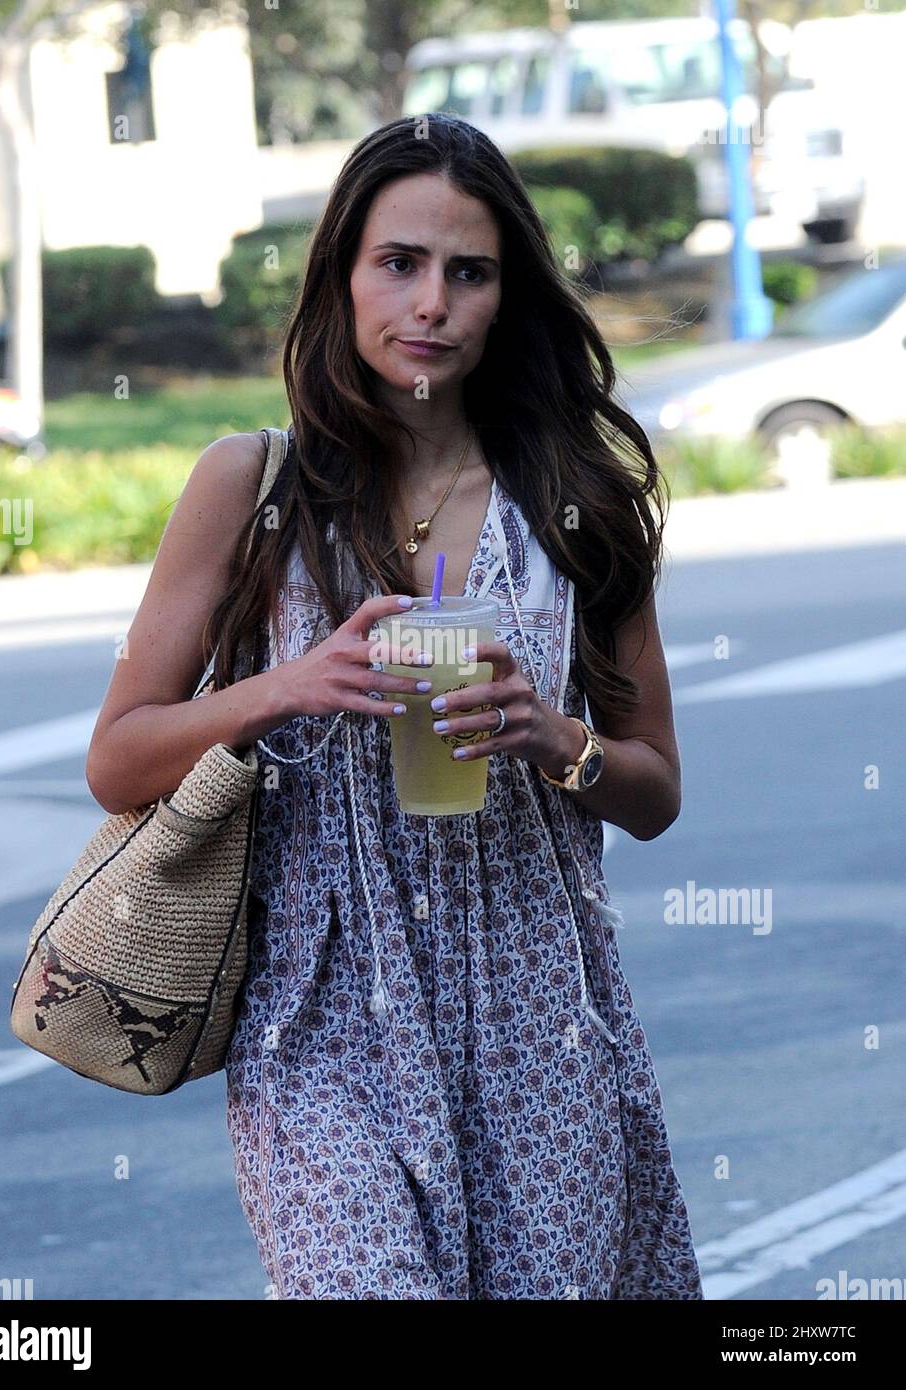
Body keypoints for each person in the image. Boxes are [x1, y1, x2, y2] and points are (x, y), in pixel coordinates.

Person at [86, 113, 703, 1300]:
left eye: (468, 272)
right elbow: (117, 762)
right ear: (343, 276)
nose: (431, 303)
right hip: (321, 1014)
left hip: (539, 1009)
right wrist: (283, 687)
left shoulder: (577, 503)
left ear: (506, 295)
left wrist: (555, 739)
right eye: (399, 263)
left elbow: (658, 789)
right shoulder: (250, 487)